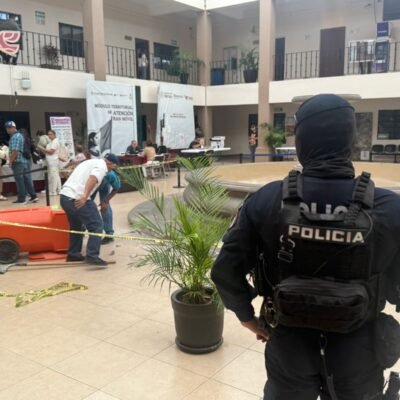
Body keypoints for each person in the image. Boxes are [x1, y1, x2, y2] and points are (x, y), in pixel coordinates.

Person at [211, 94, 400, 400]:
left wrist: (248, 318)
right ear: (350, 140)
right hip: (359, 351)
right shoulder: (390, 209)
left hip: (289, 347)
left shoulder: (266, 201)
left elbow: (225, 271)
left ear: (301, 141)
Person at [60, 153, 120, 267]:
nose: (112, 169)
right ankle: (92, 255)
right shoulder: (102, 166)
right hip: (78, 198)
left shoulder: (90, 162)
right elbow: (93, 178)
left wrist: (104, 200)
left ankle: (73, 254)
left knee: (76, 226)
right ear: (110, 163)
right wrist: (84, 196)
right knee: (96, 225)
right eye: (113, 166)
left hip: (65, 197)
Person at [6, 121, 38, 204]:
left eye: (10, 127)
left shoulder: (15, 137)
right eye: (7, 128)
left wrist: (10, 161)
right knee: (27, 179)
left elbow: (15, 151)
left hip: (18, 162)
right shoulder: (20, 135)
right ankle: (33, 196)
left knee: (19, 180)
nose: (8, 129)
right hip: (25, 161)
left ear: (14, 127)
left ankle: (21, 198)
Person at [96, 170, 121, 245]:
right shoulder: (88, 175)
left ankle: (109, 234)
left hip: (103, 182)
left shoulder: (110, 175)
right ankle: (82, 227)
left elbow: (116, 187)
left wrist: (106, 200)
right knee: (84, 205)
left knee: (105, 206)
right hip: (89, 183)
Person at [37, 129, 61, 196]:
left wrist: (41, 148)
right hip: (50, 161)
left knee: (53, 176)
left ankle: (53, 191)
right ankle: (59, 190)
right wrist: (42, 149)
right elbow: (46, 152)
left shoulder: (55, 141)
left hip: (53, 161)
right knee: (56, 176)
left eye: (51, 134)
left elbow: (51, 152)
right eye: (48, 134)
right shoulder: (51, 142)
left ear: (54, 135)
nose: (49, 136)